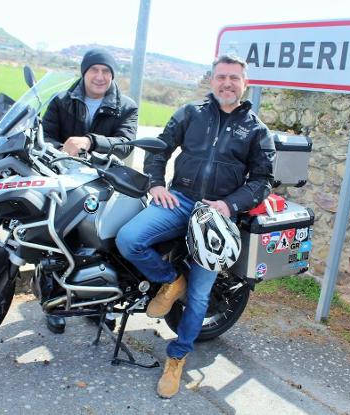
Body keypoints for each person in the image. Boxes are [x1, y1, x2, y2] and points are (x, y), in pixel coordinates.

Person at [116, 54, 276, 398]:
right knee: (129, 239)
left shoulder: (256, 129)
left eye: (234, 77)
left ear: (245, 83)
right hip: (180, 199)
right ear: (212, 80)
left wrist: (229, 204)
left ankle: (177, 358)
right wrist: (156, 184)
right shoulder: (190, 113)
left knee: (201, 293)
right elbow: (159, 149)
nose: (227, 83)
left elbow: (263, 180)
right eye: (221, 76)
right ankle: (171, 280)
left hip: (217, 213)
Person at [42, 48, 138, 334]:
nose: (100, 76)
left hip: (103, 179)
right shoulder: (61, 100)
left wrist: (89, 142)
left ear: (112, 76)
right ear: (84, 72)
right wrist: (56, 151)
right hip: (61, 177)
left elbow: (125, 143)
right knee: (54, 239)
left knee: (101, 240)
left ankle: (99, 304)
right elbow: (46, 133)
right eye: (94, 70)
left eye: (106, 71)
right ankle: (55, 303)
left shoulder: (126, 106)